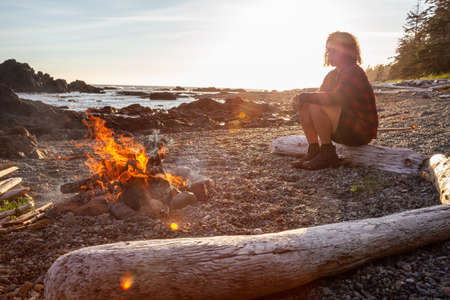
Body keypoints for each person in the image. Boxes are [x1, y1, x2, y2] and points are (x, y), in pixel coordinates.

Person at [292, 31, 378, 170]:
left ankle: (328, 153)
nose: (329, 54)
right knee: (308, 104)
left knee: (315, 102)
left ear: (346, 52)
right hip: (343, 128)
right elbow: (319, 95)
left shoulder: (353, 71)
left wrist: (306, 96)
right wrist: (301, 100)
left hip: (360, 131)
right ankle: (314, 150)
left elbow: (338, 98)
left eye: (333, 51)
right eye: (328, 51)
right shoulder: (332, 75)